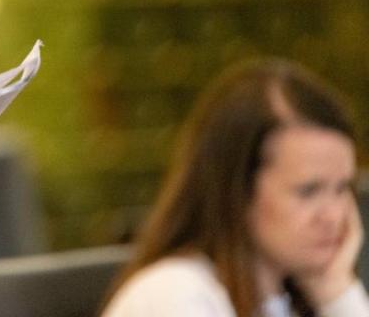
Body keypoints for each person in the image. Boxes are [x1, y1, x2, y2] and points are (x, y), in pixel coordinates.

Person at [101, 58, 369, 317]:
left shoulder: (288, 299)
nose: (333, 216)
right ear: (237, 190)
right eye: (308, 191)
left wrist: (335, 290)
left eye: (342, 188)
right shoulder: (174, 293)